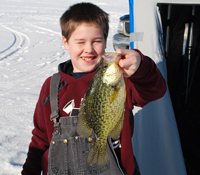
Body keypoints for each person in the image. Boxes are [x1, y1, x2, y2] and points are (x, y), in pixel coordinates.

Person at [22, 2, 166, 175]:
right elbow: (40, 138)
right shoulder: (52, 87)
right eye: (80, 42)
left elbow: (155, 90)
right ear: (66, 42)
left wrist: (141, 66)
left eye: (96, 41)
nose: (88, 49)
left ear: (106, 42)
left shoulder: (121, 81)